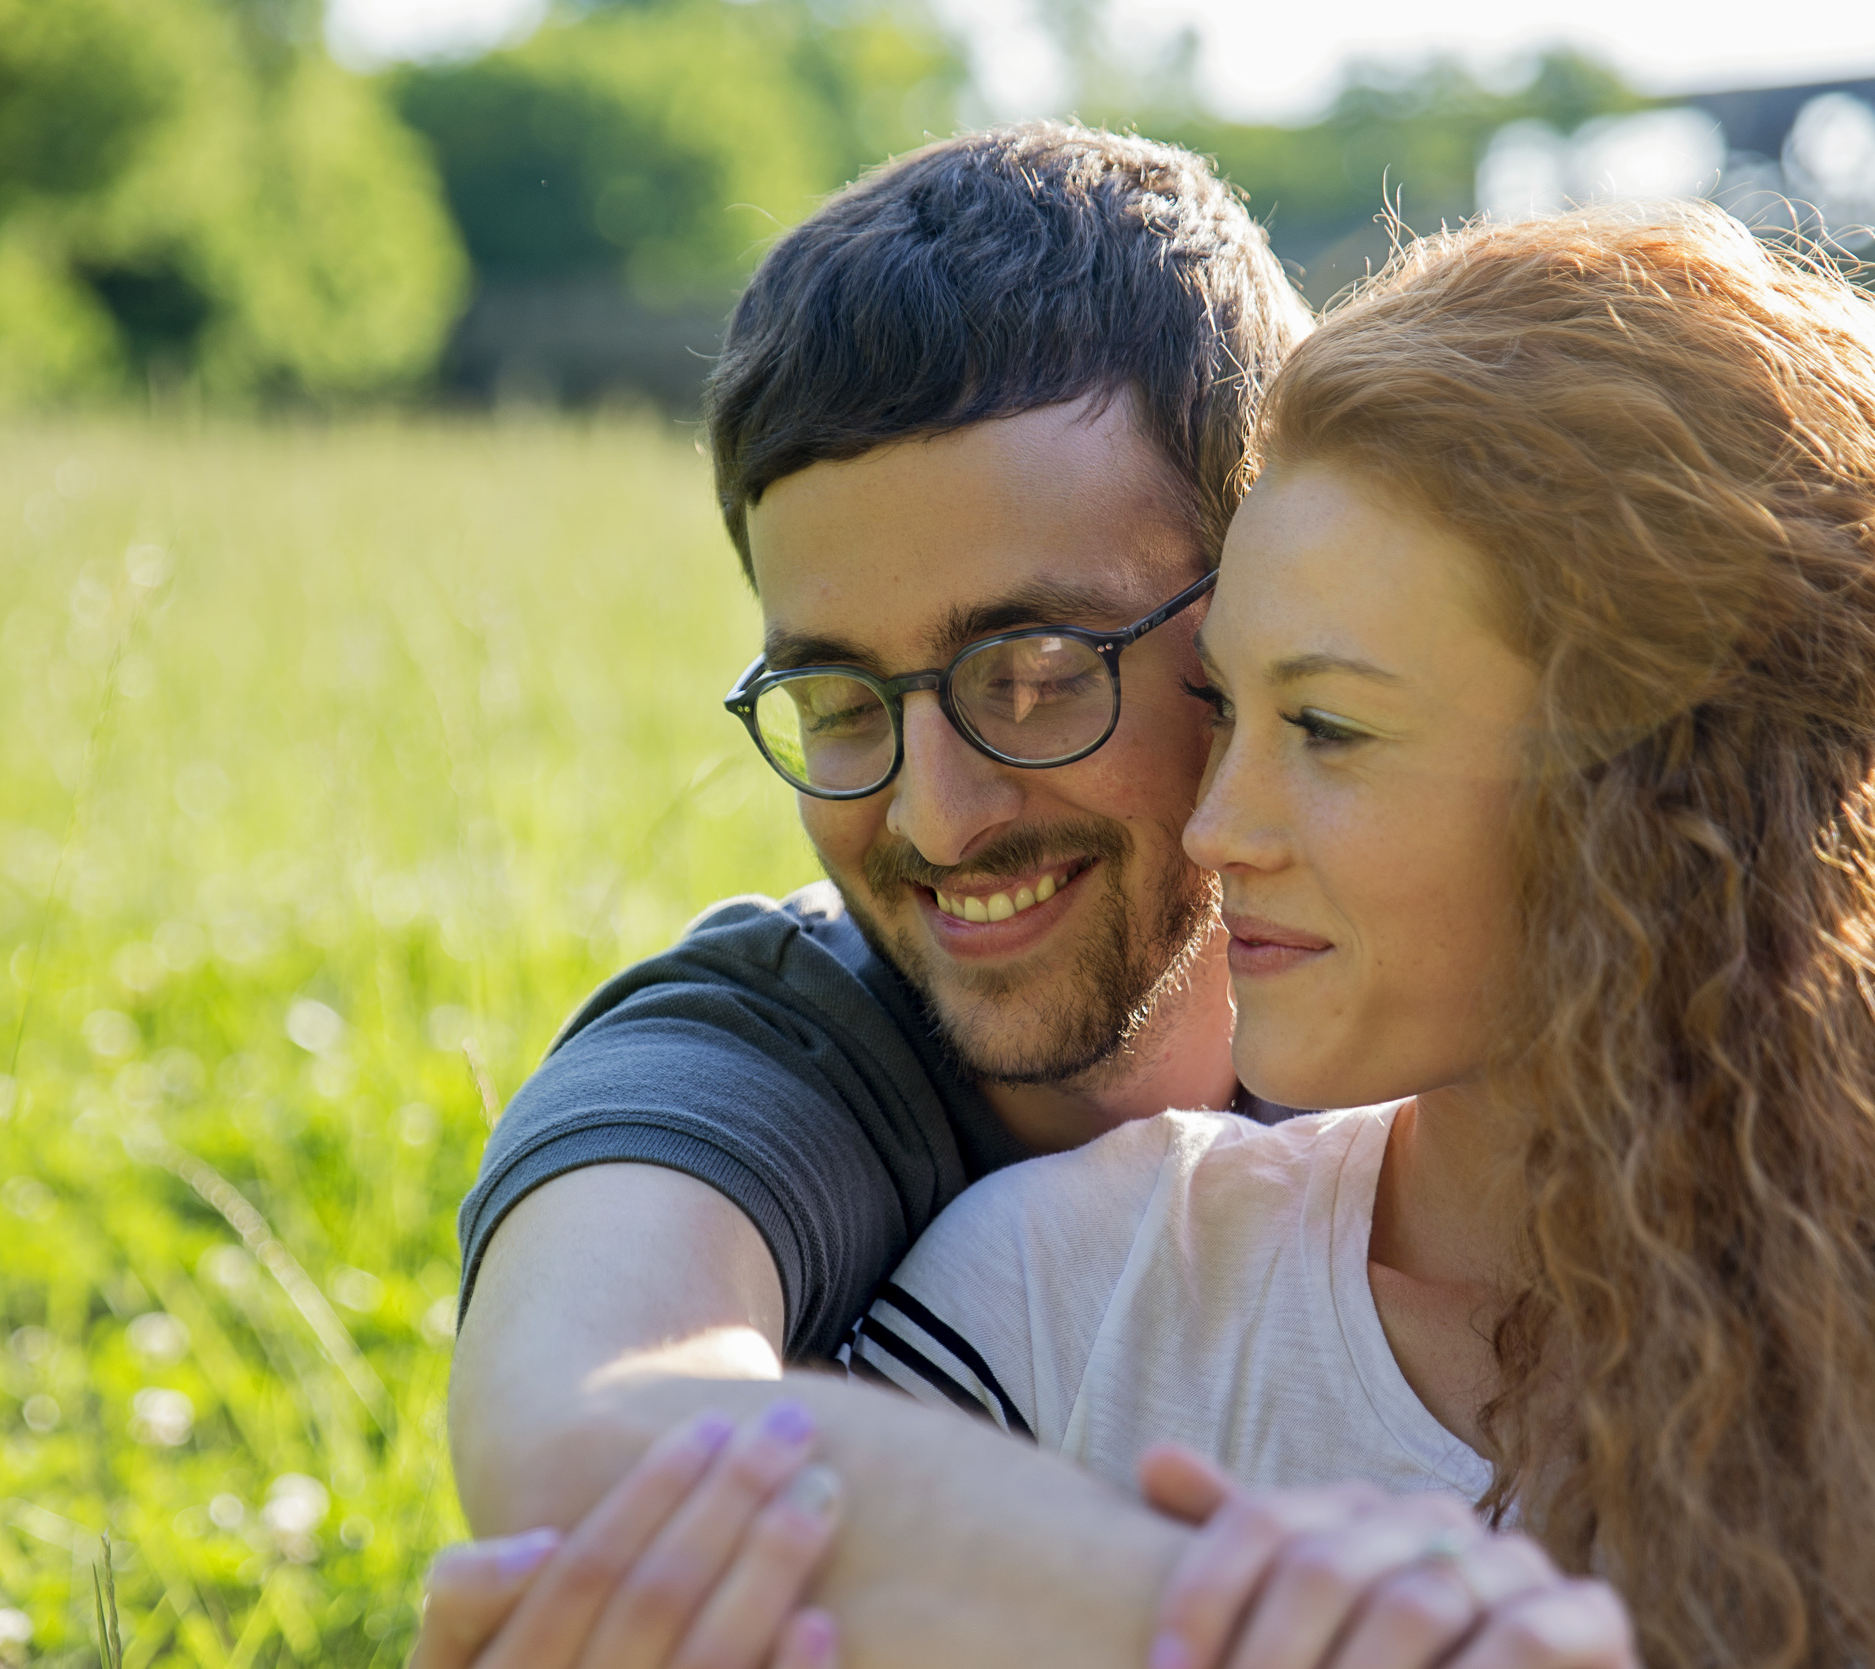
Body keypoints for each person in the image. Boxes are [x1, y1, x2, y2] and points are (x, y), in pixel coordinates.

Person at [844, 207, 1875, 1666]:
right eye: (1227, 713)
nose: (1217, 828)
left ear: (1668, 787)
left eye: (1328, 726)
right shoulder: (1065, 1294)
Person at [433, 120, 1326, 1667]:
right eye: (841, 701)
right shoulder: (772, 1041)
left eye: (1037, 671)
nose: (936, 813)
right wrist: (1314, 1631)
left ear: (1262, 615)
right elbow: (585, 1427)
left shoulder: (1464, 969)